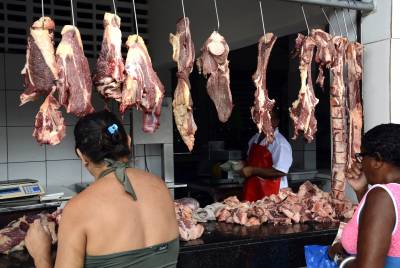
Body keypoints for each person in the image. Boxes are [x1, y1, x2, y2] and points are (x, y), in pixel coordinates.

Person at [25, 110, 179, 268]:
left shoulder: (79, 209)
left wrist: (40, 254)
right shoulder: (161, 187)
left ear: (82, 156)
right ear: (128, 142)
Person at [328, 123, 400, 268]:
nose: (360, 163)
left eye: (361, 156)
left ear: (377, 160)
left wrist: (339, 257)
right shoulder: (387, 197)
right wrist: (362, 191)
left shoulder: (382, 196)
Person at [240, 107, 293, 202]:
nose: (262, 122)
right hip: (252, 191)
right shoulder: (255, 139)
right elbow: (250, 161)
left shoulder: (280, 143)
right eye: (260, 118)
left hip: (272, 195)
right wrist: (240, 165)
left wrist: (252, 171)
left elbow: (281, 171)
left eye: (266, 119)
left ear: (275, 122)